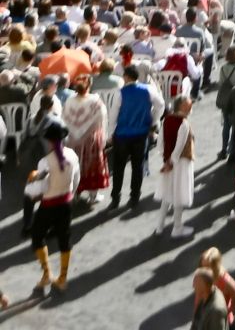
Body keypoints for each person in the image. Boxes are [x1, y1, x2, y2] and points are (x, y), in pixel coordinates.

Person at [27, 119, 80, 295]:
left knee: (37, 236)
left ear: (49, 141)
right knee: (64, 239)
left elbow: (40, 189)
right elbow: (76, 180)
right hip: (66, 203)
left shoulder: (45, 162)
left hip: (48, 205)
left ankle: (47, 273)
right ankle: (62, 278)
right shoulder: (72, 155)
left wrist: (32, 183)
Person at [109, 61, 156, 211]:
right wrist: (153, 121)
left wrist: (110, 133)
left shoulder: (120, 93)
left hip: (122, 135)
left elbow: (113, 116)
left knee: (118, 167)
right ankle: (135, 196)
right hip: (141, 134)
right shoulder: (148, 90)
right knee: (137, 166)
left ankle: (116, 196)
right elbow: (160, 105)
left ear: (127, 77)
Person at [63, 72, 110, 205]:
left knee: (75, 165)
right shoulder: (95, 101)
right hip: (91, 139)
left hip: (72, 139)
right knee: (92, 166)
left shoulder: (70, 100)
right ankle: (93, 195)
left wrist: (73, 134)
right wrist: (104, 138)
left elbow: (65, 119)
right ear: (89, 85)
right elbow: (101, 120)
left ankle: (75, 193)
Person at [158, 91, 196, 237]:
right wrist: (172, 162)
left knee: (167, 194)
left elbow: (160, 143)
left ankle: (160, 226)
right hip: (180, 164)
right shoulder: (184, 123)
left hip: (168, 161)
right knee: (179, 194)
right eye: (188, 105)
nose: (191, 107)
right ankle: (177, 227)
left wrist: (165, 159)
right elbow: (179, 147)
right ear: (183, 106)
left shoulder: (166, 120)